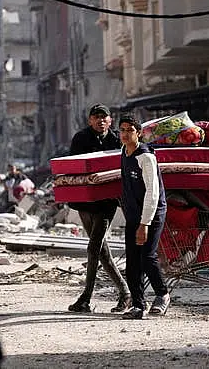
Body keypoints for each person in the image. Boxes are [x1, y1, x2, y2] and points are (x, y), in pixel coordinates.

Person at [68, 104, 131, 313]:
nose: (100, 120)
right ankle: (125, 293)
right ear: (90, 120)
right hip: (85, 203)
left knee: (93, 247)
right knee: (102, 252)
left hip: (106, 203)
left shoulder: (116, 140)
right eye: (96, 117)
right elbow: (73, 168)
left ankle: (85, 298)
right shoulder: (80, 139)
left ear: (110, 121)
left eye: (104, 117)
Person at [118, 114, 170, 319]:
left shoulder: (146, 157)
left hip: (152, 213)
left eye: (129, 130)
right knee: (132, 261)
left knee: (147, 256)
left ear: (138, 133)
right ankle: (138, 305)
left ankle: (162, 294)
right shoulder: (123, 152)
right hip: (133, 213)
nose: (125, 134)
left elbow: (153, 193)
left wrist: (144, 223)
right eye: (122, 130)